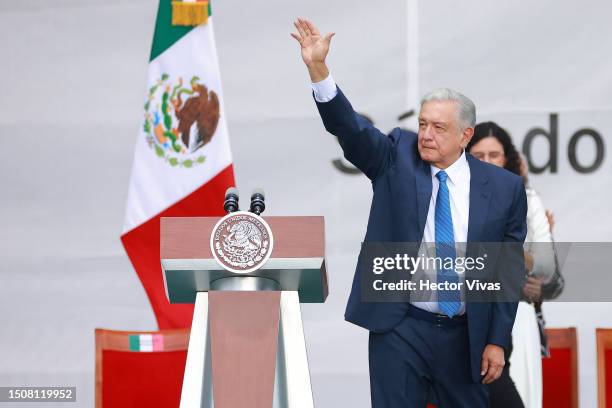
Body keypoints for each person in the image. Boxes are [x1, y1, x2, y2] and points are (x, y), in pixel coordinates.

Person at [291, 18, 527, 408]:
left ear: (466, 135)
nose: (427, 135)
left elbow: (507, 270)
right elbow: (350, 130)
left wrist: (497, 340)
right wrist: (319, 70)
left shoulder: (504, 188)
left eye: (438, 127)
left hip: (466, 334)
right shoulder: (396, 155)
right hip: (401, 326)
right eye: (422, 124)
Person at [467, 122, 560, 408]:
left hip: (515, 311)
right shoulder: (457, 196)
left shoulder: (526, 197)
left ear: (507, 157)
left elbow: (545, 263)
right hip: (467, 314)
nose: (487, 162)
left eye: (494, 155)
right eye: (478, 155)